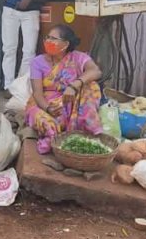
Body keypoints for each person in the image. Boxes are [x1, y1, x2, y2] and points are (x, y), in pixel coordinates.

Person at [24, 25, 103, 154]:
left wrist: (73, 85)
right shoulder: (37, 62)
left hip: (70, 102)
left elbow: (95, 71)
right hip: (46, 104)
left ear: (65, 44)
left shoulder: (78, 57)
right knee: (48, 125)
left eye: (53, 38)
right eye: (47, 37)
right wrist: (48, 108)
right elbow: (37, 93)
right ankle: (56, 137)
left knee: (91, 86)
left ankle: (86, 128)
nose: (48, 41)